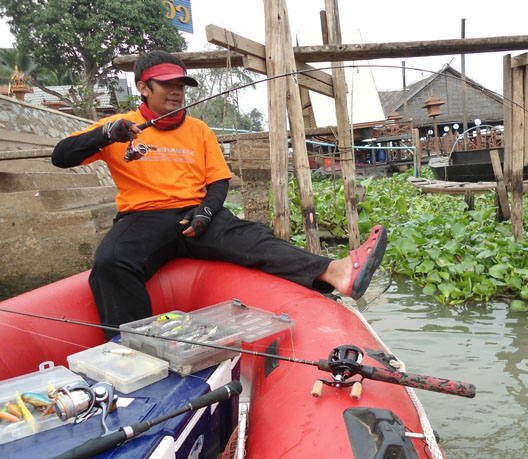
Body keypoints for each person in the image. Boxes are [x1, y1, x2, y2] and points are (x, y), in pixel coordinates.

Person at [52, 50, 387, 338]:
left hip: (198, 214)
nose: (177, 91)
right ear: (143, 87)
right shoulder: (119, 126)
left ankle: (337, 272)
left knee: (256, 237)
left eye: (181, 84)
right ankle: (134, 348)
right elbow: (62, 156)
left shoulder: (199, 130)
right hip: (143, 217)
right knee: (111, 262)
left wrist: (206, 212)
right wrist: (106, 134)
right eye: (167, 84)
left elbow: (218, 182)